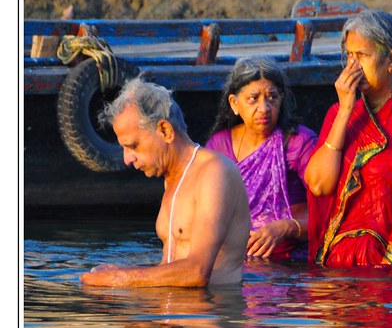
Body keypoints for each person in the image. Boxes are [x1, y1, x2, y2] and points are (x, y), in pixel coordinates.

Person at [80, 78, 250, 287]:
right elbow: (171, 267)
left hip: (211, 313)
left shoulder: (214, 172)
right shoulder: (172, 179)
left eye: (133, 146)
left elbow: (196, 272)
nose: (127, 159)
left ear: (165, 131)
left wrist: (120, 278)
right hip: (173, 313)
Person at [304, 10, 392, 268]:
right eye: (349, 56)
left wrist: (389, 266)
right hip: (336, 260)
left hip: (387, 262)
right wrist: (345, 110)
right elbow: (319, 185)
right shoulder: (338, 114)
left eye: (363, 55)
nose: (353, 67)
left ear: (391, 59)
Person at [206, 57, 317, 259]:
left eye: (272, 97)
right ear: (234, 103)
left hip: (291, 264)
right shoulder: (218, 147)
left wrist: (286, 227)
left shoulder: (298, 143)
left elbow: (330, 211)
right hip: (235, 262)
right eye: (253, 99)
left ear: (281, 99)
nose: (264, 108)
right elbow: (204, 212)